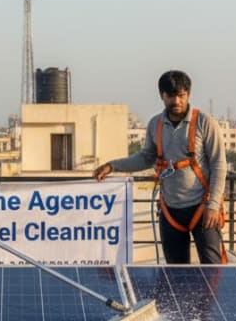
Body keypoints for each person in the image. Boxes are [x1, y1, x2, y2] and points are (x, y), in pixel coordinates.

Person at [93, 70, 228, 264]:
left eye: (181, 95)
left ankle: (212, 297)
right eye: (170, 96)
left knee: (212, 269)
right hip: (170, 210)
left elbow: (219, 164)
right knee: (176, 272)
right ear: (162, 96)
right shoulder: (156, 124)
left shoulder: (204, 123)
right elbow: (145, 158)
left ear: (188, 94)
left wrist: (214, 205)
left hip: (203, 207)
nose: (176, 101)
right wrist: (112, 166)